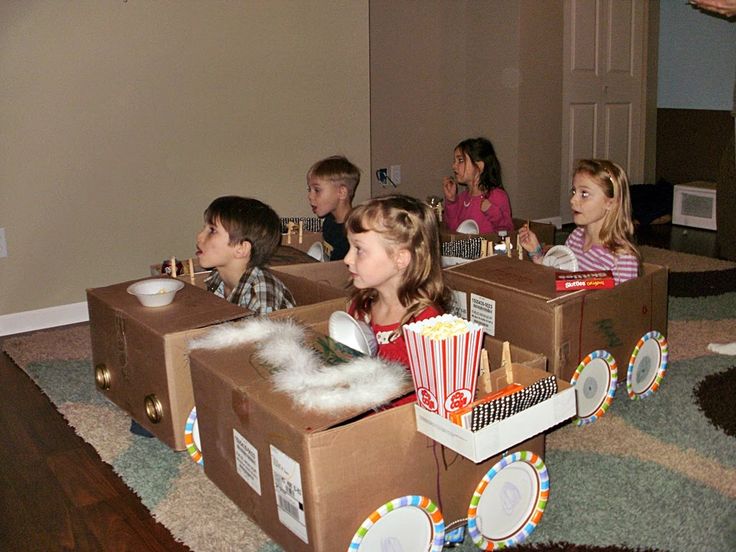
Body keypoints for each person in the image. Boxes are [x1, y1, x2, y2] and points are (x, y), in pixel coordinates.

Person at [343, 194, 451, 368]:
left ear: (400, 259)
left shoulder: (427, 324)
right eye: (349, 247)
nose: (347, 259)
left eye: (359, 249)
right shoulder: (361, 306)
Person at [519, 159, 640, 285]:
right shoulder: (575, 237)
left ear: (610, 203)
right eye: (574, 191)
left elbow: (627, 301)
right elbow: (561, 277)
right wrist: (536, 252)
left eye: (584, 194)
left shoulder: (622, 259)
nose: (573, 199)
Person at [196, 195, 296, 314]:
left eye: (212, 231)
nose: (199, 236)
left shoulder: (261, 294)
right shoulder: (217, 279)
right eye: (204, 228)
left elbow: (262, 332)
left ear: (241, 249)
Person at [441, 137, 513, 234]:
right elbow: (454, 232)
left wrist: (491, 211)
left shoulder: (497, 196)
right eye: (455, 161)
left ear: (479, 166)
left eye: (460, 160)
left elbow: (507, 232)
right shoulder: (462, 198)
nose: (454, 166)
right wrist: (451, 201)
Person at [306, 155, 361, 260]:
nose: (310, 196)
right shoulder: (329, 222)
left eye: (317, 190)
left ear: (341, 192)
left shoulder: (354, 232)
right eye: (309, 189)